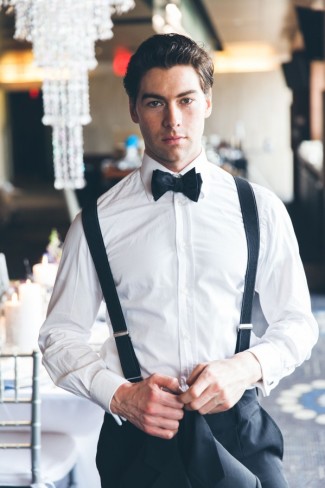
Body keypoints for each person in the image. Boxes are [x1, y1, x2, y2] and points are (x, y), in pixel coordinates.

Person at [39, 33, 318, 487]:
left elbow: (298, 322)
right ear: (134, 110)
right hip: (138, 439)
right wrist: (123, 396)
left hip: (238, 431)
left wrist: (244, 368)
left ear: (207, 101)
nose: (173, 119)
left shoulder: (260, 208)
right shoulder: (94, 223)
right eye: (155, 103)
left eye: (186, 100)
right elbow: (58, 336)